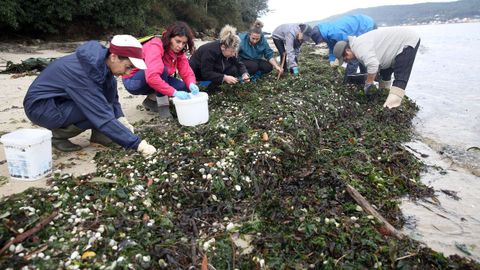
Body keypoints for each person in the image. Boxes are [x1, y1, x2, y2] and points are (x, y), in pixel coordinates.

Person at [23, 35, 156, 157]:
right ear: (114, 57)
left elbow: (112, 99)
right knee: (95, 109)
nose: (127, 73)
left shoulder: (103, 67)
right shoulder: (82, 73)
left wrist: (121, 118)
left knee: (102, 104)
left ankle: (101, 136)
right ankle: (57, 137)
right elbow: (100, 113)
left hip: (61, 100)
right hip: (40, 107)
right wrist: (137, 144)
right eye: (128, 67)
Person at [122, 21, 199, 118]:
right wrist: (173, 92)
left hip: (151, 78)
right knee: (162, 70)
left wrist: (191, 83)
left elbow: (186, 71)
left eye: (184, 43)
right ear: (169, 38)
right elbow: (152, 77)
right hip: (133, 80)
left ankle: (150, 101)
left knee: (184, 87)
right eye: (177, 41)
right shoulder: (156, 45)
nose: (180, 46)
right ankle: (163, 109)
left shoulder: (178, 52)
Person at [333, 27, 421, 109]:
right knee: (385, 73)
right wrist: (373, 76)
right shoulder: (357, 45)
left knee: (400, 76)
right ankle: (384, 94)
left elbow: (373, 65)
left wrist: (368, 83)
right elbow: (376, 62)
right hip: (393, 48)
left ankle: (391, 107)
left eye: (345, 58)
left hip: (407, 41)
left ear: (348, 50)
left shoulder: (359, 48)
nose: (347, 61)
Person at [310, 14, 376, 84]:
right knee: (358, 57)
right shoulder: (327, 34)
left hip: (367, 26)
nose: (321, 42)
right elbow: (332, 48)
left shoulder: (335, 33)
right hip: (360, 28)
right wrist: (332, 60)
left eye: (320, 41)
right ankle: (362, 79)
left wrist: (346, 80)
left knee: (360, 55)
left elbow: (351, 51)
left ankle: (358, 81)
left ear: (321, 36)